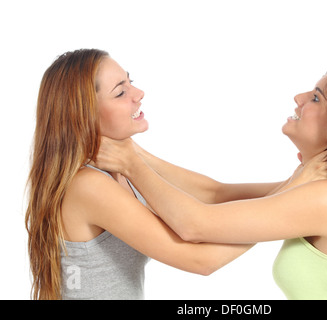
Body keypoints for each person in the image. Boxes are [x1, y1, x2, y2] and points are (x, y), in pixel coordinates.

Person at [93, 64, 327, 299]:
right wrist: (130, 149)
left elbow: (195, 225)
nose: (299, 97)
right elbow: (215, 193)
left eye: (316, 98)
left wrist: (131, 164)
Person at [25, 48, 274, 300]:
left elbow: (214, 193)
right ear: (84, 115)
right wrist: (288, 213)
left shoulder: (125, 158)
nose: (138, 93)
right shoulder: (88, 185)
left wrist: (298, 183)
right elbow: (200, 260)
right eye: (121, 92)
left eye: (130, 82)